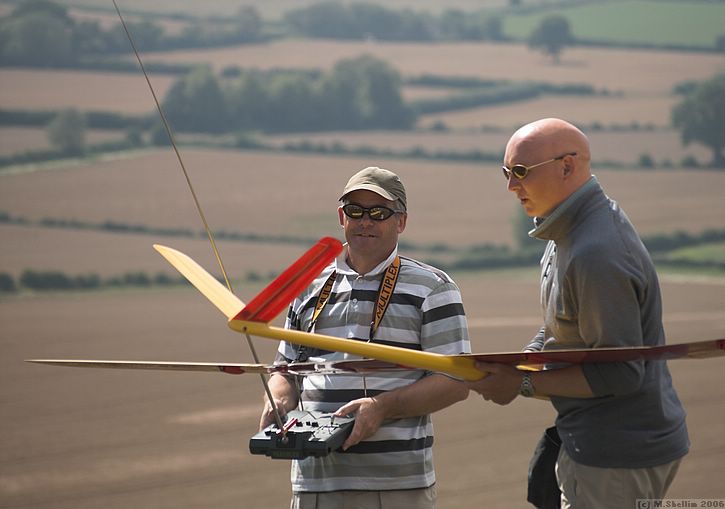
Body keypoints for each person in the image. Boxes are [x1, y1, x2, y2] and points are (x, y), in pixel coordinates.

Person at [467, 118, 689, 508]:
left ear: (567, 166)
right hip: (601, 444)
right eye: (506, 172)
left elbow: (619, 373)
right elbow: (564, 325)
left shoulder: (595, 253)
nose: (511, 186)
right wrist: (518, 366)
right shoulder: (568, 228)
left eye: (520, 172)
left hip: (617, 454)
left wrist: (519, 384)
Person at [259, 166, 471, 509]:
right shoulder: (308, 286)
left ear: (400, 222)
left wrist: (382, 408)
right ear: (342, 217)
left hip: (395, 485)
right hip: (314, 482)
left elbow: (455, 381)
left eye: (379, 213)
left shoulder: (433, 287)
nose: (365, 221)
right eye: (355, 211)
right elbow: (285, 367)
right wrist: (278, 398)